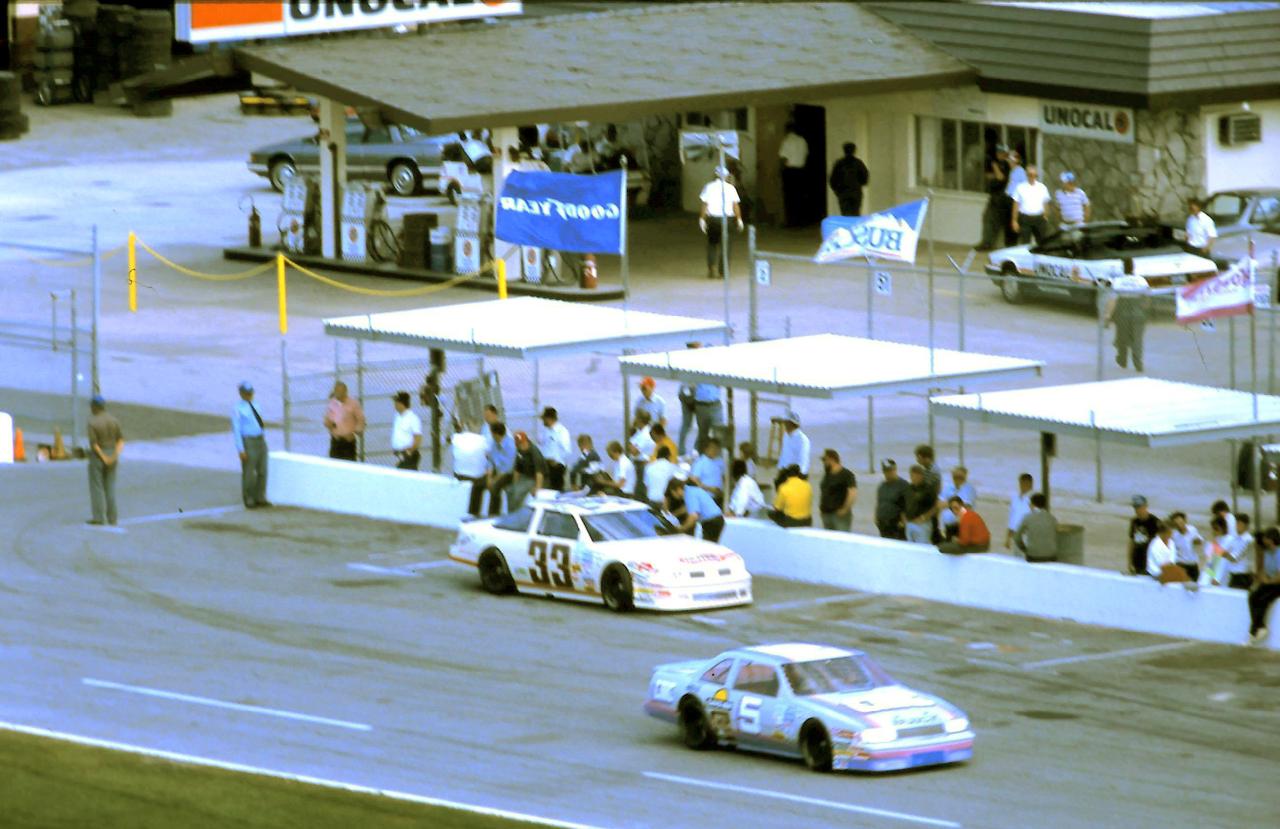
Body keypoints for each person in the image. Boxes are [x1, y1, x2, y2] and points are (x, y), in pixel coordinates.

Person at [698, 166, 743, 280]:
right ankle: (723, 272)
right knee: (726, 246)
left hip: (713, 219)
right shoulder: (731, 188)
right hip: (727, 220)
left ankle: (712, 269)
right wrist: (739, 219)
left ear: (715, 175)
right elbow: (735, 205)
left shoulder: (709, 187)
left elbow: (705, 205)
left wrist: (702, 219)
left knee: (712, 244)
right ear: (727, 176)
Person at [86, 394, 124, 526]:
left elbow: (94, 444)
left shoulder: (92, 422)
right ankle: (112, 518)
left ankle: (99, 517)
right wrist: (114, 456)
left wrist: (104, 457)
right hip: (112, 452)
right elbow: (120, 441)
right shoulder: (114, 421)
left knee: (97, 487)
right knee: (110, 487)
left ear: (95, 407)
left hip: (98, 456)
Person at [232, 381, 270, 509]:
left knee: (263, 470)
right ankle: (249, 498)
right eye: (247, 393)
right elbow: (236, 429)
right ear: (241, 394)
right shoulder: (237, 409)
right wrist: (241, 449)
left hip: (260, 440)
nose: (249, 395)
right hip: (248, 441)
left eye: (251, 393)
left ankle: (260, 497)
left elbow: (259, 422)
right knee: (249, 472)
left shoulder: (256, 404)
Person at [469, 421, 516, 517]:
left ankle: (493, 515)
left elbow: (507, 468)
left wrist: (494, 480)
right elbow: (490, 460)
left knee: (495, 487)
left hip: (507, 474)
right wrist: (489, 477)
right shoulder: (495, 443)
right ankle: (474, 514)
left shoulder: (510, 446)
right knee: (477, 485)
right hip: (496, 471)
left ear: (496, 434)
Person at [1104, 288, 1150, 372]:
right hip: (1138, 313)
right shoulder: (1142, 283)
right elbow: (1146, 301)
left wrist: (1108, 316)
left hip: (1123, 312)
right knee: (1137, 339)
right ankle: (1138, 363)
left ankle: (1122, 360)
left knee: (1122, 337)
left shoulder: (1119, 283)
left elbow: (1112, 301)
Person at [1247, 527, 1280, 643]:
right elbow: (1263, 571)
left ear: (1271, 539)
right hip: (1270, 582)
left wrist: (1267, 582)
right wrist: (1264, 580)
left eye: (1266, 537)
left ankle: (1255, 630)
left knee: (1264, 600)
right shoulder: (1267, 553)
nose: (1264, 540)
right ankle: (1259, 627)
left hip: (1277, 584)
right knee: (1253, 597)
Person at [666, 478, 725, 542]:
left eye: (673, 493)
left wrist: (682, 528)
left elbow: (693, 517)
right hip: (716, 520)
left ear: (678, 489)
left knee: (708, 546)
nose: (673, 496)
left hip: (711, 523)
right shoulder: (692, 490)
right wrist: (673, 514)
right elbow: (687, 508)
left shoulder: (689, 495)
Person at [977, 144, 1010, 251]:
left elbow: (1000, 177)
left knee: (997, 222)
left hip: (1001, 197)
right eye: (998, 152)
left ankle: (992, 244)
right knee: (987, 218)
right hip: (994, 196)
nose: (999, 155)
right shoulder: (998, 164)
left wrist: (994, 165)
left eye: (1001, 153)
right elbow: (988, 176)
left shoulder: (1006, 164)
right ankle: (987, 243)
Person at [323, 380, 365, 462]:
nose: (339, 394)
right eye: (337, 391)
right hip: (336, 440)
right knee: (334, 465)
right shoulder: (332, 403)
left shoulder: (353, 403)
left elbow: (361, 420)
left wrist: (356, 432)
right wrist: (329, 427)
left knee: (349, 465)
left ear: (346, 391)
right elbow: (327, 419)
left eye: (341, 391)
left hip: (348, 440)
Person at [1011, 164, 1051, 245]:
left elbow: (1046, 202)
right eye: (1030, 175)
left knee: (1042, 243)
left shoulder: (1042, 187)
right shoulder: (1020, 187)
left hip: (1039, 218)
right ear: (1026, 175)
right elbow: (1016, 205)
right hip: (1025, 219)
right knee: (1025, 244)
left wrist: (1046, 216)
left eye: (1035, 175)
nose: (1032, 177)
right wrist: (1014, 220)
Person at [818, 449, 857, 532]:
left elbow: (852, 493)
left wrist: (845, 509)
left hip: (839, 515)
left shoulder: (846, 475)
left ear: (832, 459)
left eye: (824, 460)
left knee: (841, 537)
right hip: (826, 514)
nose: (823, 463)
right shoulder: (827, 474)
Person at [506, 431, 546, 512]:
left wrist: (537, 487)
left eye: (521, 443)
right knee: (510, 490)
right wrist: (515, 484)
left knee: (518, 492)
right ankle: (511, 513)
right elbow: (517, 469)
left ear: (526, 441)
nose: (519, 446)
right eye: (518, 444)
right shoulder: (519, 451)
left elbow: (539, 472)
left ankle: (517, 513)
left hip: (535, 478)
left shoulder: (534, 452)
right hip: (525, 477)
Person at [778, 121, 808, 228]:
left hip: (790, 172)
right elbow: (806, 155)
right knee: (800, 197)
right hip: (801, 171)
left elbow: (783, 158)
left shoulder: (787, 141)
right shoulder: (803, 141)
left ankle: (791, 222)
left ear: (787, 130)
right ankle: (800, 222)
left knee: (790, 198)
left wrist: (780, 170)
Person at [828, 142, 870, 216]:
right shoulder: (858, 163)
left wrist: (838, 191)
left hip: (843, 193)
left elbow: (832, 180)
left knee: (845, 214)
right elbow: (865, 178)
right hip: (855, 193)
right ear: (854, 150)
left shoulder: (839, 164)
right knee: (855, 214)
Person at [1015, 493, 1059, 562]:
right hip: (1051, 556)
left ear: (1033, 504)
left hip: (1033, 556)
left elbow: (1017, 537)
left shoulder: (1027, 517)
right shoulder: (1052, 518)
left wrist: (1025, 549)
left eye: (1030, 503)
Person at [538, 407, 572, 491]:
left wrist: (556, 461)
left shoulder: (562, 431)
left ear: (549, 418)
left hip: (556, 467)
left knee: (556, 490)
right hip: (545, 465)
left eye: (544, 419)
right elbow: (541, 445)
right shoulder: (545, 431)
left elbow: (567, 450)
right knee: (545, 490)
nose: (543, 421)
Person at [914, 444, 943, 542]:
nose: (917, 460)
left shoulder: (933, 471)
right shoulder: (927, 469)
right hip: (930, 501)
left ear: (925, 458)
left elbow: (928, 489)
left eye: (918, 457)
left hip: (932, 502)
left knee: (933, 529)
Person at [939, 466, 976, 540]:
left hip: (960, 526)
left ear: (965, 476)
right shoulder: (947, 487)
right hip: (945, 526)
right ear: (952, 476)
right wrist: (955, 504)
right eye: (956, 476)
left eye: (960, 476)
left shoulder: (969, 489)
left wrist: (948, 503)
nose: (958, 478)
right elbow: (939, 504)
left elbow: (966, 508)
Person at [875, 459, 909, 539]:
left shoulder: (903, 485)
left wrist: (904, 521)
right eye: (886, 471)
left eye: (891, 470)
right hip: (883, 523)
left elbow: (907, 504)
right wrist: (876, 517)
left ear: (895, 469)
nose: (888, 473)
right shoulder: (882, 486)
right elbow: (879, 502)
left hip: (897, 524)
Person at [903, 465, 938, 544]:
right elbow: (904, 504)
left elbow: (935, 507)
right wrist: (904, 519)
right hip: (909, 523)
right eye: (911, 475)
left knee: (922, 547)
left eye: (915, 476)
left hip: (922, 524)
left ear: (921, 476)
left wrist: (923, 518)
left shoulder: (929, 489)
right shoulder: (909, 488)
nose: (913, 478)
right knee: (910, 547)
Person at [1128, 494, 1161, 576]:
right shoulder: (1134, 521)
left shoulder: (1155, 522)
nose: (1137, 510)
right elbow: (1131, 542)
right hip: (1137, 560)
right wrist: (1129, 562)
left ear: (1146, 506)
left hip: (1150, 561)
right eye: (1135, 507)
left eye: (1140, 507)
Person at [389, 391, 422, 471]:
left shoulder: (413, 418)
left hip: (408, 455)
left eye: (396, 402)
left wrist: (409, 452)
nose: (394, 404)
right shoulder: (397, 416)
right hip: (399, 454)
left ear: (401, 403)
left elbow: (418, 438)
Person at [1168, 511, 1204, 583]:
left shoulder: (1192, 529)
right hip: (1181, 565)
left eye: (1181, 522)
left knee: (1194, 585)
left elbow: (1200, 540)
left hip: (1193, 565)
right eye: (1176, 524)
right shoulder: (1174, 535)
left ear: (1185, 521)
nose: (1179, 525)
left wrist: (1198, 541)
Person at [776, 411, 811, 484]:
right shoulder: (786, 436)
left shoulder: (802, 439)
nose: (784, 424)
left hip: (797, 475)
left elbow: (803, 460)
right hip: (784, 473)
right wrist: (779, 469)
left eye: (786, 422)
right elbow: (784, 454)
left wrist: (800, 477)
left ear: (791, 423)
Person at [1002, 150, 1028, 246]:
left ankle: (1012, 244)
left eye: (1011, 159)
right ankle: (1008, 244)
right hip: (1008, 198)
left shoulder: (1020, 171)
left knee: (1013, 223)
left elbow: (1024, 186)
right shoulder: (1012, 171)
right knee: (1007, 224)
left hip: (1014, 200)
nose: (1009, 161)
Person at [689, 438, 726, 502]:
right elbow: (694, 480)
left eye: (717, 448)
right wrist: (711, 489)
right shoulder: (700, 462)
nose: (715, 451)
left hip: (719, 498)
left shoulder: (720, 461)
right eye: (713, 448)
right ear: (706, 449)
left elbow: (723, 477)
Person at [1006, 472, 1034, 549]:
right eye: (1022, 483)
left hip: (1028, 534)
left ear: (1031, 484)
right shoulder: (1015, 498)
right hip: (1016, 534)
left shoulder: (1033, 498)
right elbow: (1012, 519)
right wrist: (1008, 538)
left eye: (1026, 483)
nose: (1023, 486)